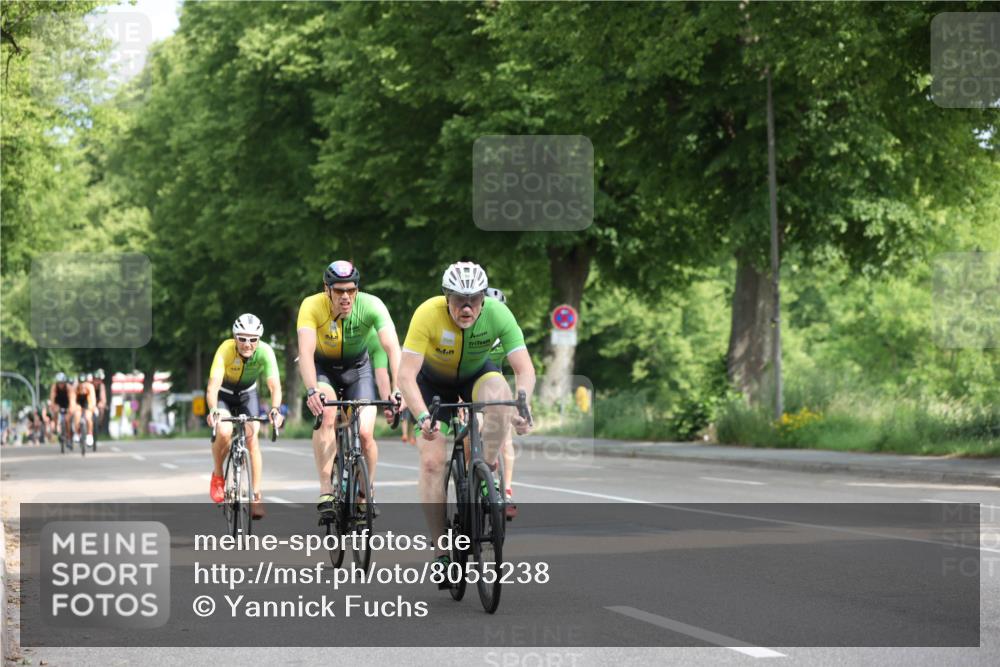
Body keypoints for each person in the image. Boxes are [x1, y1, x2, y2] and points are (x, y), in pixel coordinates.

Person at [397, 261, 535, 581]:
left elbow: (524, 368)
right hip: (432, 385)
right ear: (446, 297)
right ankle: (442, 551)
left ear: (484, 299)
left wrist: (523, 405)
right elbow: (405, 375)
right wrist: (421, 417)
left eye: (474, 298)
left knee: (501, 396)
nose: (467, 306)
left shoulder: (498, 314)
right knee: (432, 462)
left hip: (477, 374)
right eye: (459, 298)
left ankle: (483, 473)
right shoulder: (427, 314)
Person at [298, 260, 402, 520]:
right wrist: (312, 390)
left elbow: (393, 349)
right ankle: (326, 491)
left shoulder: (372, 305)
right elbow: (306, 352)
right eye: (339, 290)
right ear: (327, 289)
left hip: (358, 370)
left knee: (366, 433)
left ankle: (366, 491)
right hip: (324, 370)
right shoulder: (311, 306)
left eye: (351, 290)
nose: (345, 297)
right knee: (327, 414)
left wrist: (398, 389)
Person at [206, 314, 284, 520]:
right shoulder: (225, 350)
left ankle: (256, 496)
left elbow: (274, 385)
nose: (247, 344)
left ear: (259, 339)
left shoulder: (266, 352)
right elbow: (212, 387)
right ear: (235, 338)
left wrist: (275, 409)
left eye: (253, 339)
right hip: (224, 394)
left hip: (247, 395)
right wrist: (213, 409)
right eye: (242, 338)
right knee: (223, 431)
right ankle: (218, 476)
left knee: (252, 437)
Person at [484, 286, 517, 516]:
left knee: (506, 439)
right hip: (471, 385)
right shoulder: (474, 332)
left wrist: (520, 402)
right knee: (477, 427)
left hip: (497, 384)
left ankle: (506, 491)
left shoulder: (505, 334)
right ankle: (479, 478)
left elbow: (519, 366)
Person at [48, 372, 74, 447]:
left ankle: (69, 437)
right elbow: (52, 398)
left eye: (62, 383)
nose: (61, 385)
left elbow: (72, 399)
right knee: (55, 411)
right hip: (58, 403)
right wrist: (53, 406)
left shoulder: (69, 387)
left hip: (67, 402)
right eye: (59, 383)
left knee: (67, 420)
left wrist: (70, 408)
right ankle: (56, 427)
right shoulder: (54, 387)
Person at [72, 373, 97, 449]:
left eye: (84, 382)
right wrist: (74, 408)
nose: (82, 385)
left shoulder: (90, 387)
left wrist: (91, 408)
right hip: (78, 402)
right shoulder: (75, 388)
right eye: (81, 382)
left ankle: (89, 435)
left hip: (87, 402)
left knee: (88, 417)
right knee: (77, 415)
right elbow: (73, 400)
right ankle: (77, 432)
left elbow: (92, 400)